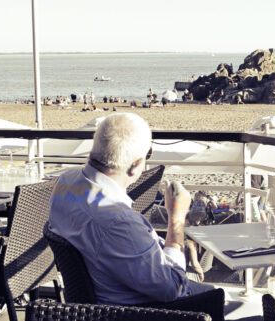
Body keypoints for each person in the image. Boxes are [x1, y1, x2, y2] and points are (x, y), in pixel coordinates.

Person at [48, 113, 213, 305]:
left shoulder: (66, 180)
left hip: (94, 300)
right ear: (135, 166)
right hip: (134, 311)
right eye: (147, 155)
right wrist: (176, 218)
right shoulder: (118, 221)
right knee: (214, 294)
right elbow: (172, 288)